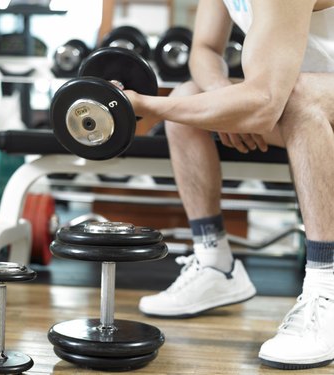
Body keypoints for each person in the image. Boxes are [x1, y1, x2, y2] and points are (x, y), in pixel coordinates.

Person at [122, 0, 334, 370]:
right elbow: (204, 49)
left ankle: (327, 289)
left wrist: (146, 106)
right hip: (298, 98)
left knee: (298, 98)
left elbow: (265, 103)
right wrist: (220, 93)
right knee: (189, 96)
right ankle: (216, 265)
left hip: (304, 98)